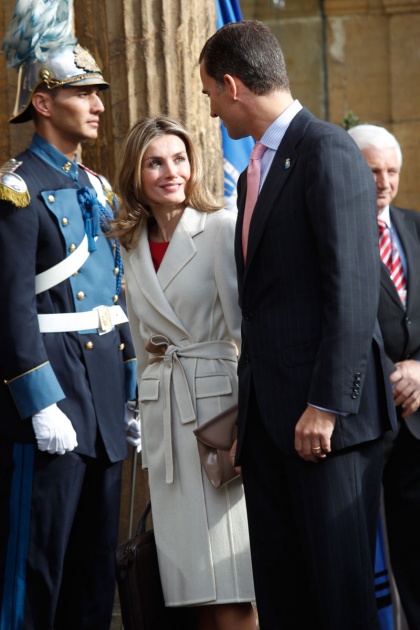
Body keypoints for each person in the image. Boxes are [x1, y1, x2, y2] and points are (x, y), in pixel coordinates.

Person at [199, 20, 398, 630]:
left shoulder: (327, 148)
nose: (210, 111)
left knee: (337, 604)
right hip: (272, 433)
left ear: (232, 85)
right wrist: (250, 422)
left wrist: (327, 405)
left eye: (208, 93)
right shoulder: (252, 169)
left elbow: (355, 288)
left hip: (326, 432)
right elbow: (267, 306)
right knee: (286, 604)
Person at [0, 6, 139, 628]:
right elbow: (9, 307)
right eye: (83, 92)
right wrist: (38, 400)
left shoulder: (100, 187)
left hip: (105, 398)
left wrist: (131, 393)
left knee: (93, 571)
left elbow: (115, 295)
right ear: (44, 101)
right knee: (37, 567)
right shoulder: (16, 188)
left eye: (98, 94)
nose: (99, 105)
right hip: (52, 399)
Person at [111, 114, 256, 630]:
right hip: (163, 419)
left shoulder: (218, 227)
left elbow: (245, 332)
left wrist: (248, 425)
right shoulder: (127, 244)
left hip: (216, 419)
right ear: (136, 174)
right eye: (155, 162)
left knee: (230, 577)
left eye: (179, 159)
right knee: (185, 584)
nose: (171, 172)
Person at [348, 123, 420, 630]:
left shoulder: (417, 227)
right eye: (373, 170)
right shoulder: (335, 233)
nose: (384, 181)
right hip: (362, 416)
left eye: (392, 171)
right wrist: (386, 372)